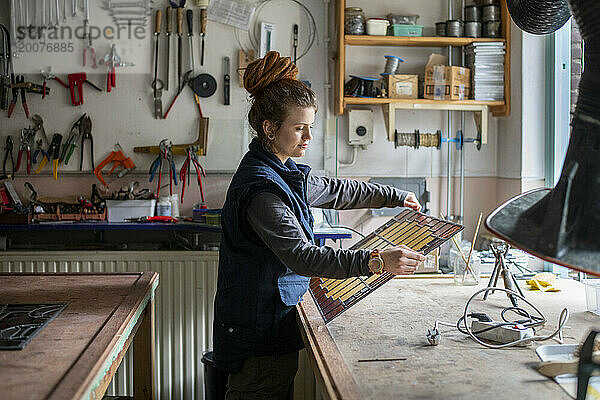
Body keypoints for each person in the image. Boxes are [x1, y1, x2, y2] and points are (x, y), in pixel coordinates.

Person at [213, 51, 425, 400]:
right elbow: (303, 257)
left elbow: (338, 190)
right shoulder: (263, 190)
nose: (308, 137)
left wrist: (395, 195)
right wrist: (375, 261)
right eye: (299, 128)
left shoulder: (282, 170)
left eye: (311, 127)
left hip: (271, 320)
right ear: (269, 128)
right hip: (259, 328)